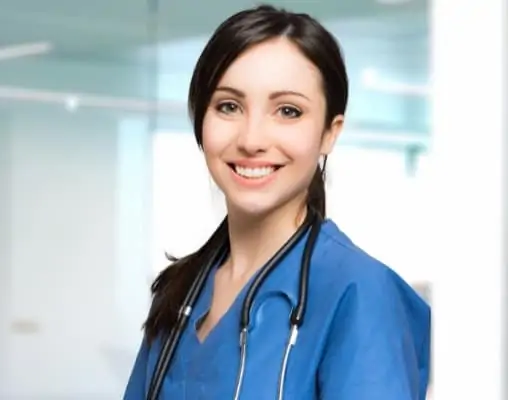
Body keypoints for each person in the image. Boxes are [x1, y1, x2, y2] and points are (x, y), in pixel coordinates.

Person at [123, 5, 431, 400]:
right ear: (201, 120)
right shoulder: (181, 293)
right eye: (228, 106)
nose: (252, 139)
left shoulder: (359, 294)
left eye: (288, 111)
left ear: (329, 133)